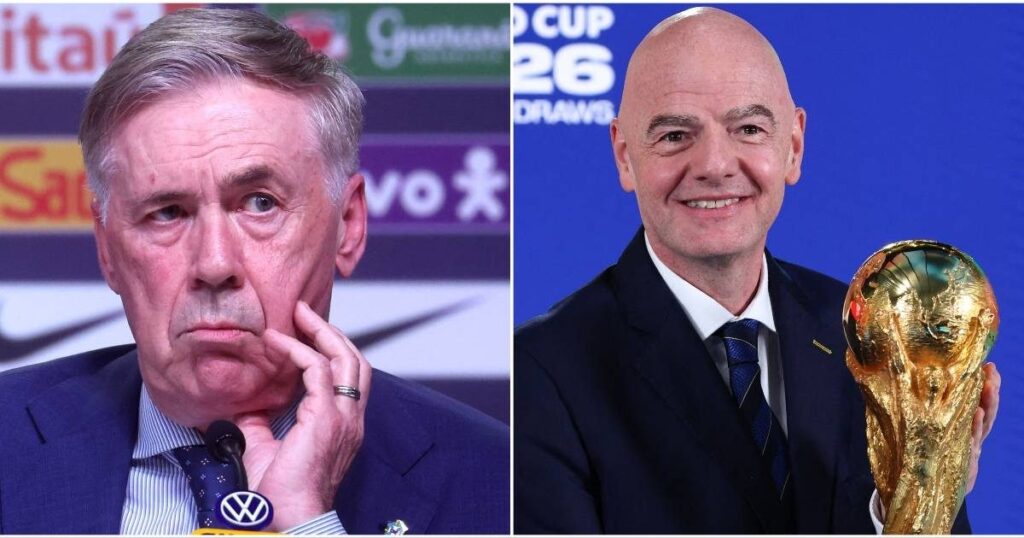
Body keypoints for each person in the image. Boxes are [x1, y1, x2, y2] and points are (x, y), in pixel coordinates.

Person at [0, 8, 508, 535]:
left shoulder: (496, 482)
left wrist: (308, 525)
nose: (215, 264)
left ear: (348, 225)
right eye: (167, 213)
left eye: (260, 204)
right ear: (106, 248)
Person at [514, 7, 1000, 534]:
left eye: (748, 128)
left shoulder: (871, 338)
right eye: (676, 135)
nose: (715, 164)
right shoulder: (542, 375)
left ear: (792, 146)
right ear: (625, 156)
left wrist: (920, 506)